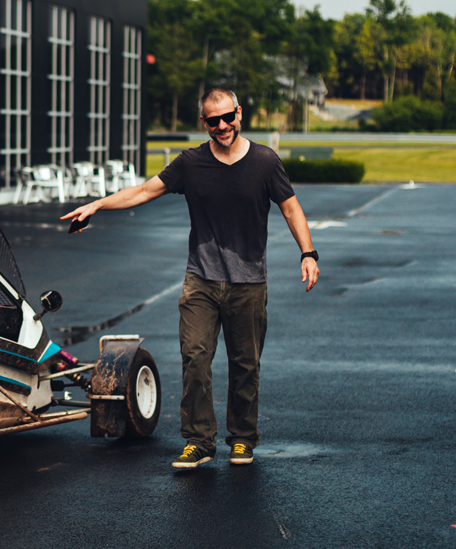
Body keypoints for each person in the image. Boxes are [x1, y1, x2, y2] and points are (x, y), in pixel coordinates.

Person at [61, 88, 319, 468]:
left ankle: (243, 439)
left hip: (249, 282)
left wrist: (308, 252)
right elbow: (145, 191)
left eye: (227, 117)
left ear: (239, 114)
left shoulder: (264, 161)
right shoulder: (191, 163)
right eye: (213, 120)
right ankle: (199, 441)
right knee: (195, 358)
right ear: (204, 123)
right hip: (200, 279)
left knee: (245, 364)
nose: (222, 126)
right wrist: (97, 205)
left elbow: (290, 207)